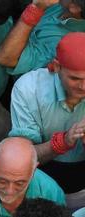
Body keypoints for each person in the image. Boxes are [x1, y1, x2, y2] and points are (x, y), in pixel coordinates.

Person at [9, 33, 85, 204]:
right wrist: (63, 142)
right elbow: (23, 155)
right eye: (75, 79)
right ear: (57, 66)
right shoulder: (28, 89)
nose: (83, 87)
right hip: (37, 179)